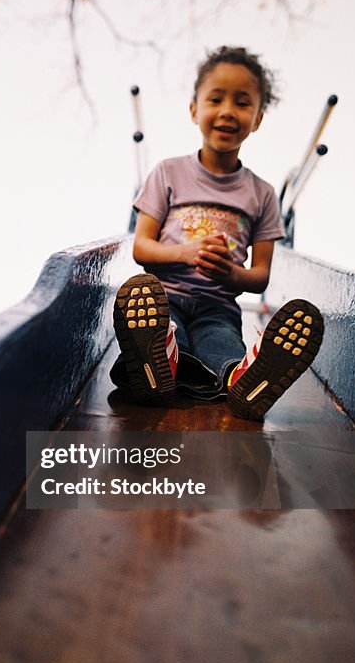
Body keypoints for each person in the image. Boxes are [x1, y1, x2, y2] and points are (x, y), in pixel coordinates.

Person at [111, 45, 324, 421]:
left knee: (221, 344)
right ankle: (160, 358)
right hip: (162, 298)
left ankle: (244, 378)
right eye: (215, 99)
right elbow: (141, 247)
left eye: (242, 103)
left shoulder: (262, 194)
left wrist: (230, 273)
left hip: (219, 305)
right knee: (161, 328)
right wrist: (185, 253)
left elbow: (259, 277)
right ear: (194, 110)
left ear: (257, 118)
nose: (227, 111)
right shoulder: (167, 173)